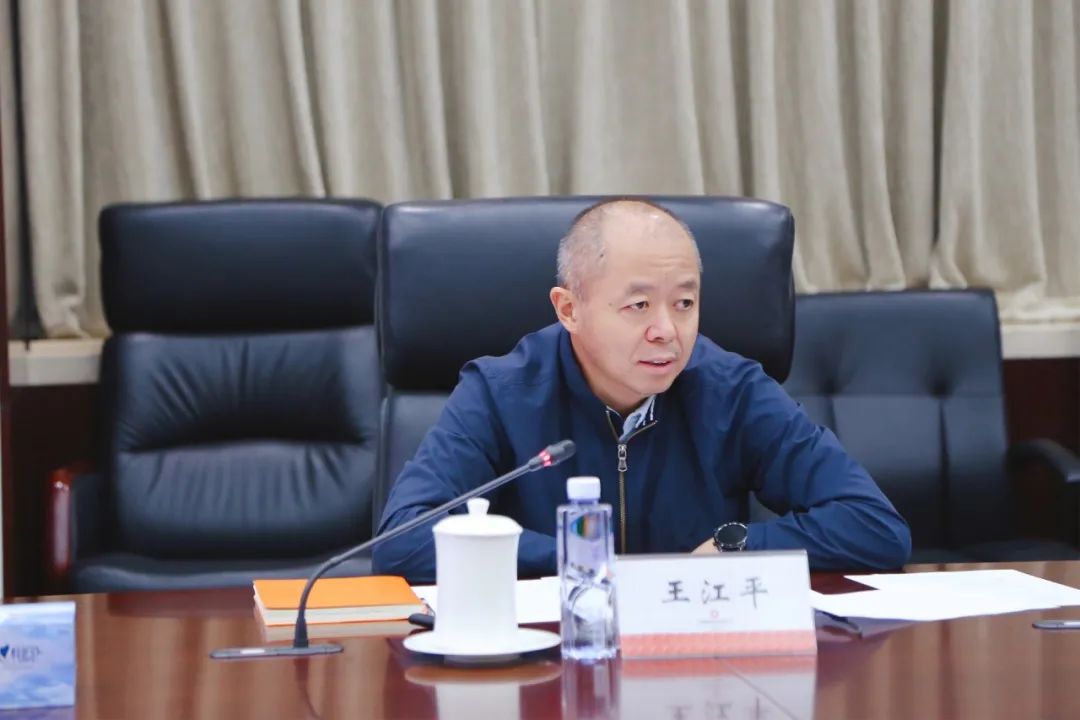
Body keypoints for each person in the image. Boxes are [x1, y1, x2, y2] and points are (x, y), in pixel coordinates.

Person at [372, 199, 911, 583]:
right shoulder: (500, 392)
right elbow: (402, 541)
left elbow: (875, 526)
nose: (667, 331)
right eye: (638, 306)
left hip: (693, 658)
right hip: (552, 657)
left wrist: (735, 546)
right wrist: (581, 558)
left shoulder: (731, 390)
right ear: (569, 309)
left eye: (684, 303)